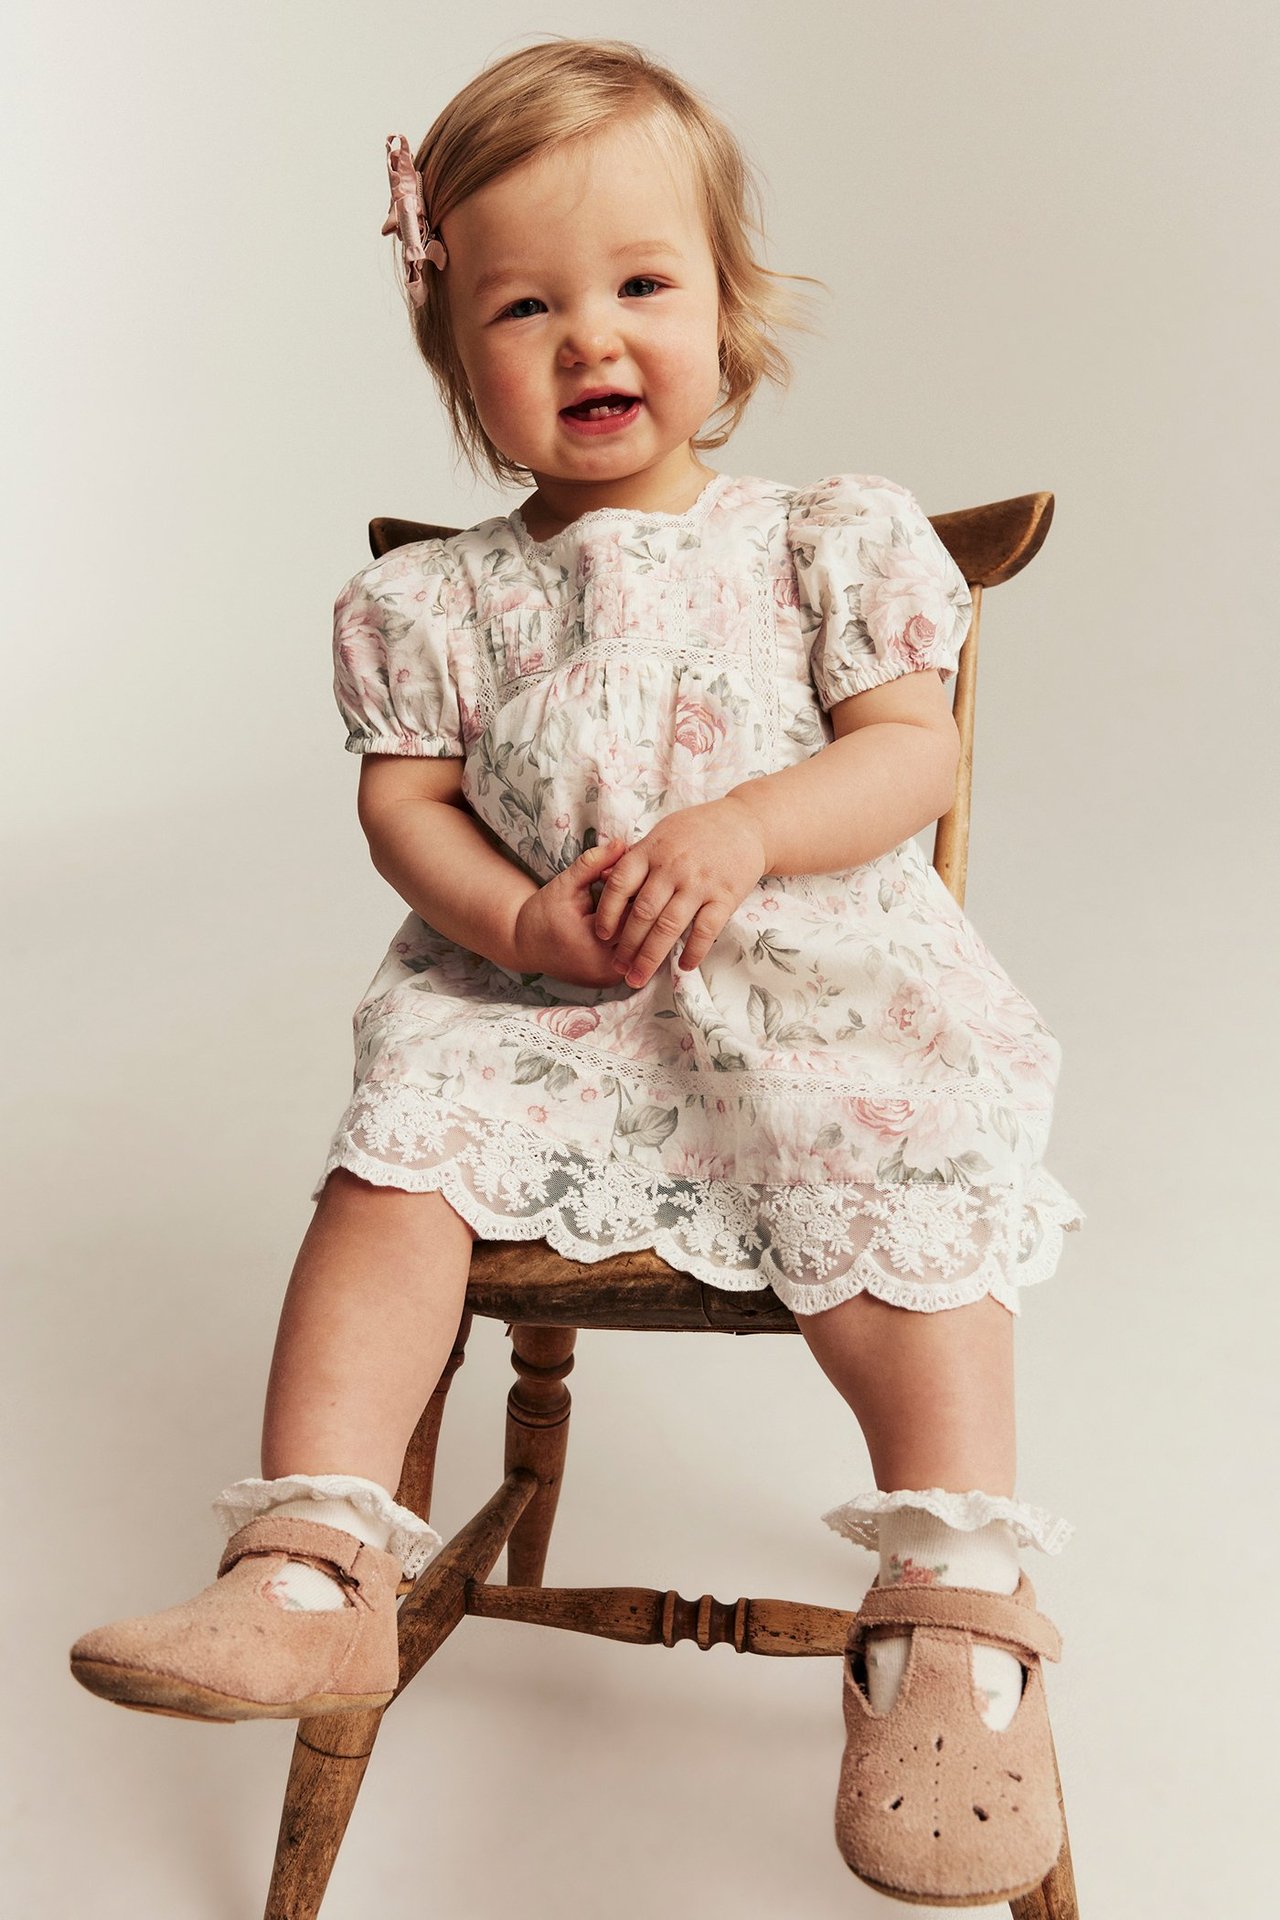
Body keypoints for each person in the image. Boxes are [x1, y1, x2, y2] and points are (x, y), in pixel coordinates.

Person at [70, 37, 1086, 1907]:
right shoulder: (438, 597)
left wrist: (752, 830)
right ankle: (312, 1562)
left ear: (729, 306)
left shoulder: (815, 540)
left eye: (640, 287)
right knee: (394, 1165)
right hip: (539, 1005)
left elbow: (910, 750)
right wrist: (516, 919)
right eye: (524, 304)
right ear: (460, 353)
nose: (590, 338)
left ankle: (956, 1606)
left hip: (799, 977)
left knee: (904, 1172)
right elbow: (408, 810)